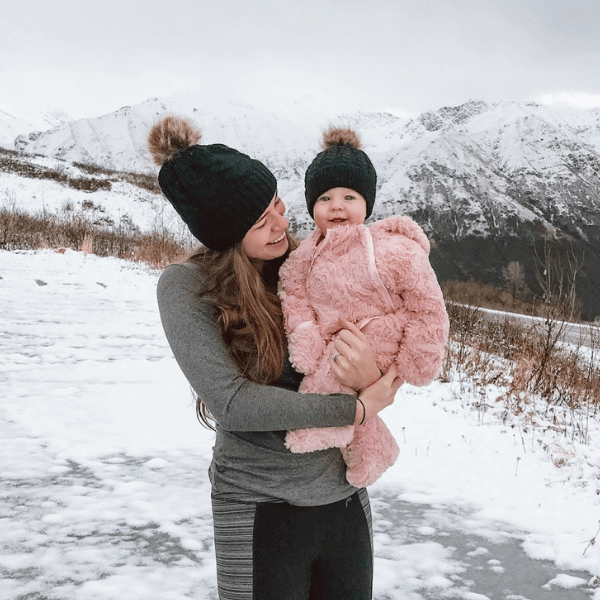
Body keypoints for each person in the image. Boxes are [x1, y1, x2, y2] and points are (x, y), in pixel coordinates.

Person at [148, 115, 403, 600]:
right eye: (261, 222)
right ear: (224, 235)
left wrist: (370, 374)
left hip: (343, 499)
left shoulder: (309, 264)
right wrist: (355, 409)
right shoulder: (186, 287)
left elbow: (384, 337)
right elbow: (233, 404)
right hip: (258, 504)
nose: (283, 225)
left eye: (279, 206)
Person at [279, 126, 449, 488]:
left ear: (367, 204)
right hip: (335, 341)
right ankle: (372, 448)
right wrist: (305, 336)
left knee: (325, 387)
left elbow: (426, 302)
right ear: (311, 207)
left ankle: (316, 435)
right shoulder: (304, 256)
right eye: (324, 197)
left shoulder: (390, 248)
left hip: (383, 333)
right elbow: (294, 296)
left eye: (349, 196)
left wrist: (419, 355)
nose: (336, 205)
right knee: (336, 384)